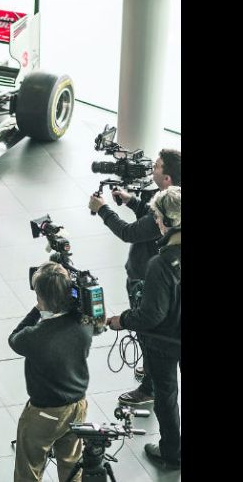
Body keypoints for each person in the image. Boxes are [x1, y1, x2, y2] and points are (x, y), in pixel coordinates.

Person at [88, 148, 180, 406]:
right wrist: (131, 201)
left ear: (167, 179)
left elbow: (128, 232)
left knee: (147, 333)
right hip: (150, 279)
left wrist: (103, 209)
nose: (152, 168)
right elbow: (149, 217)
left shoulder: (163, 217)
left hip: (144, 280)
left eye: (158, 166)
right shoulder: (173, 203)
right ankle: (151, 371)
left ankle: (149, 386)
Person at [107, 186, 181, 470]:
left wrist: (121, 320)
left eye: (157, 217)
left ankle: (171, 453)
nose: (156, 221)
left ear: (167, 221)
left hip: (164, 342)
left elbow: (151, 315)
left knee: (166, 397)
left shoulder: (161, 264)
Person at [9, 262, 93, 482]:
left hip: (45, 413)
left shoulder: (36, 336)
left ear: (40, 296)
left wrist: (37, 309)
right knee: (72, 465)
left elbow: (14, 338)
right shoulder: (84, 323)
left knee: (29, 467)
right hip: (78, 407)